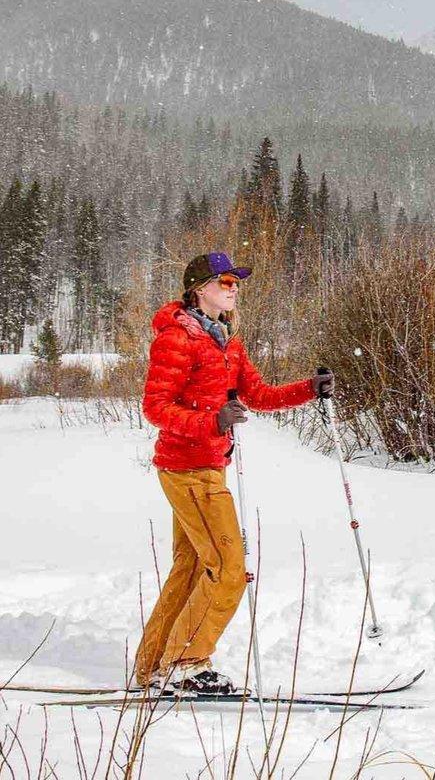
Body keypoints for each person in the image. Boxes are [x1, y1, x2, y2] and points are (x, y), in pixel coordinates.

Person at [135, 252, 332, 694]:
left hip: (208, 468)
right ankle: (185, 663)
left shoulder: (227, 340)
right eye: (225, 280)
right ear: (199, 288)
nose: (234, 287)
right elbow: (155, 408)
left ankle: (153, 666)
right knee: (228, 569)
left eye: (236, 281)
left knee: (190, 569)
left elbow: (258, 395)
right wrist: (212, 421)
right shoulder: (176, 339)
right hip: (188, 469)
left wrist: (309, 390)